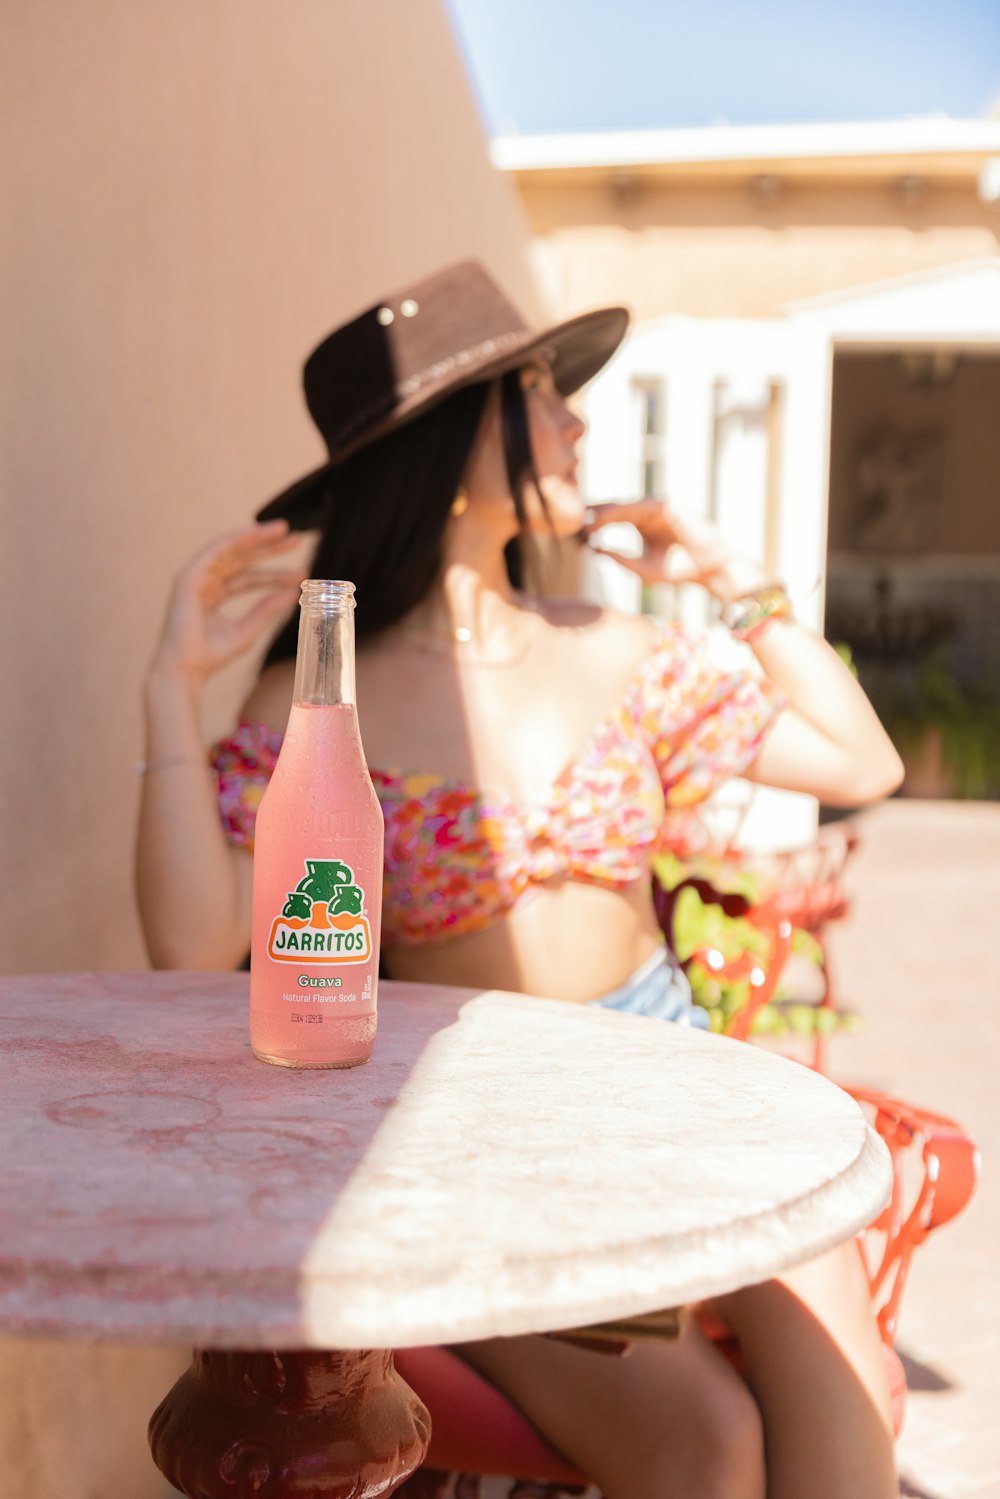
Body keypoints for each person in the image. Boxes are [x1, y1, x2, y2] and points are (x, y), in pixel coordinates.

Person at [137, 260, 903, 1499]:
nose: (578, 423)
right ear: (449, 444)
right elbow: (195, 940)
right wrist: (170, 689)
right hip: (472, 1126)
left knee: (846, 1377)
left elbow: (856, 757)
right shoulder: (319, 698)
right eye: (542, 396)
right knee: (706, 1445)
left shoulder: (623, 649)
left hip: (668, 1073)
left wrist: (731, 583)